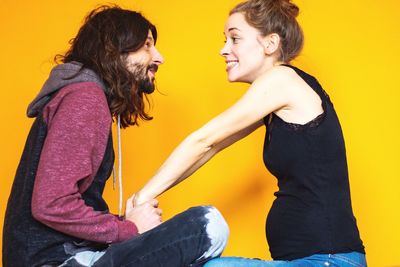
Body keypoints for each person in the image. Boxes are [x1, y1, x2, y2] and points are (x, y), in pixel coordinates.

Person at [132, 0, 367, 266]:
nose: (224, 50)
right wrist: (147, 198)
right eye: (225, 40)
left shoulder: (282, 80)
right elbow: (211, 147)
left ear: (270, 44)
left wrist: (139, 198)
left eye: (234, 39)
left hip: (327, 260)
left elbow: (204, 140)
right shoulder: (275, 98)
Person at [2, 5, 229, 267]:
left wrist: (124, 225)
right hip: (54, 261)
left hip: (63, 254)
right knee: (208, 224)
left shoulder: (83, 96)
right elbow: (51, 204)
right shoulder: (84, 98)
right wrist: (128, 228)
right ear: (115, 49)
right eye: (146, 45)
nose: (159, 57)